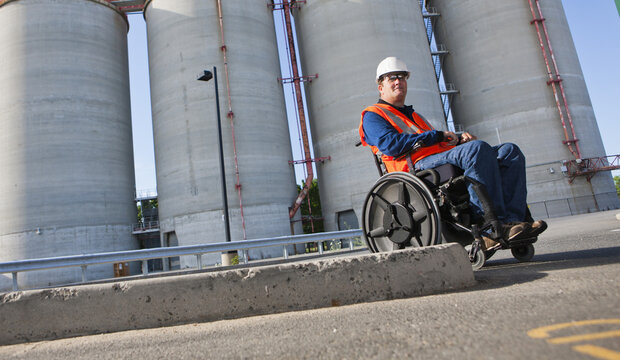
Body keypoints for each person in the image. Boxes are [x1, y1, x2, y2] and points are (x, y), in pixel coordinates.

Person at [358, 57, 546, 249]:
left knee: (509, 151)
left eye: (402, 77)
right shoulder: (373, 115)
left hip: (436, 159)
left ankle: (514, 221)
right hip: (413, 167)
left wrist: (457, 140)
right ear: (381, 86)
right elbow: (391, 145)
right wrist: (439, 136)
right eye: (391, 78)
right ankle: (488, 228)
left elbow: (435, 143)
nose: (398, 81)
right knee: (476, 150)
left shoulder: (414, 115)